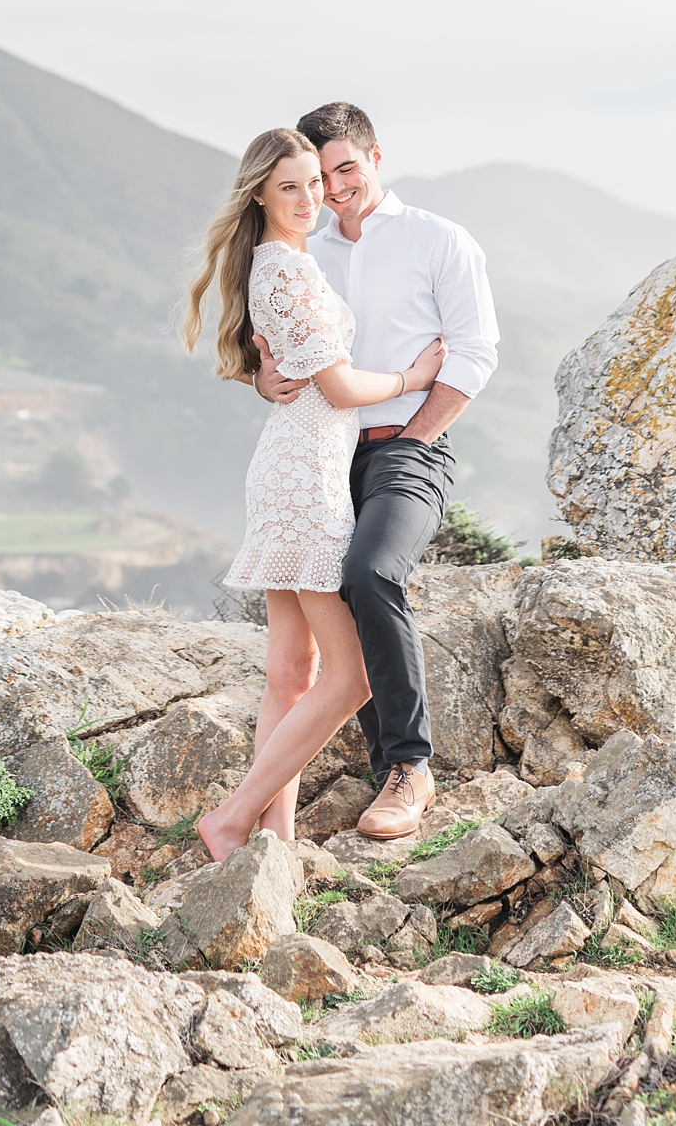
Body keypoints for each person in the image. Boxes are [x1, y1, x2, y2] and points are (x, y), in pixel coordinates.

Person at [180, 126, 448, 863]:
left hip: (294, 466)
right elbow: (336, 386)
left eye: (315, 183)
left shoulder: (285, 263)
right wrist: (411, 379)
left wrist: (264, 377)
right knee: (353, 676)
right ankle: (233, 818)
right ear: (261, 192)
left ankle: (278, 841)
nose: (308, 198)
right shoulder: (288, 271)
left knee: (291, 674)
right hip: (305, 478)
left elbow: (282, 366)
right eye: (289, 185)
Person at [254, 101, 497, 840]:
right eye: (319, 176)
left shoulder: (439, 239)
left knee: (369, 571)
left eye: (346, 168)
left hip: (409, 443)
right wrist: (258, 377)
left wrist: (417, 439)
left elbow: (474, 353)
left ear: (376, 156)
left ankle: (408, 766)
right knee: (313, 624)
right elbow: (266, 338)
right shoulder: (304, 249)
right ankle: (283, 817)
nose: (334, 186)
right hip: (321, 454)